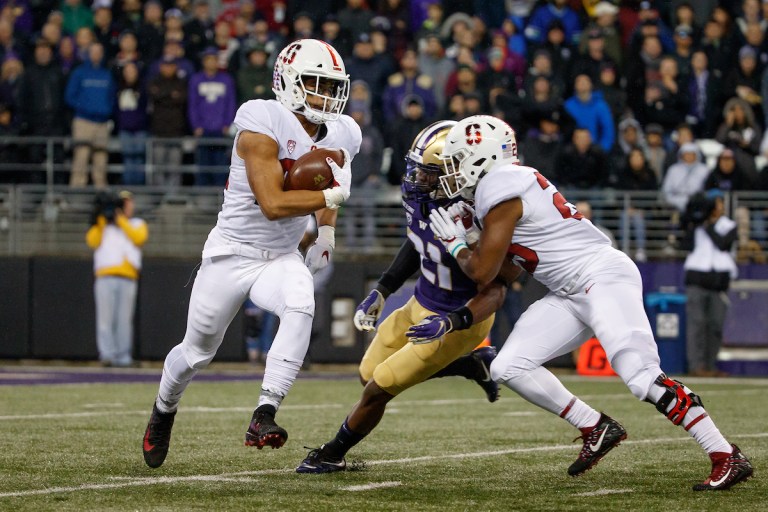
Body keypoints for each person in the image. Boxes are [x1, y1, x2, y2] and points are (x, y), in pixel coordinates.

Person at [426, 114, 752, 491]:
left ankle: (725, 454)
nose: (453, 172)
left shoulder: (499, 184)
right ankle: (596, 426)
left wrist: (458, 246)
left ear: (481, 156)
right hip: (570, 290)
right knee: (508, 367)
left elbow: (482, 273)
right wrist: (477, 239)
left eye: (457, 160)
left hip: (599, 276)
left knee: (640, 376)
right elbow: (508, 274)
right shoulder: (505, 188)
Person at [142, 39, 360, 469]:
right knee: (196, 353)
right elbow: (273, 204)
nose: (326, 95)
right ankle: (163, 409)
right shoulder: (261, 121)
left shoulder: (342, 132)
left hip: (279, 256)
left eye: (333, 86)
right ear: (290, 82)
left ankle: (264, 414)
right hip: (231, 253)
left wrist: (326, 236)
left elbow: (324, 195)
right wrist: (331, 194)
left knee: (301, 302)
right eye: (316, 84)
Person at [295, 120, 512, 474]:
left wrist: (453, 315)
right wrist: (382, 290)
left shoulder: (477, 213)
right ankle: (471, 364)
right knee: (368, 374)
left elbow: (495, 283)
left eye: (427, 172)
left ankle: (332, 452)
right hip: (419, 303)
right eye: (416, 169)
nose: (416, 178)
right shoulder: (422, 197)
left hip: (453, 319)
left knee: (379, 389)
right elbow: (417, 242)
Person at [86, 190, 148, 367]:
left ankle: (123, 357)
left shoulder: (137, 223)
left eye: (127, 203)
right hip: (105, 276)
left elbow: (139, 238)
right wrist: (101, 218)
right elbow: (92, 241)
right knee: (105, 319)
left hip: (128, 277)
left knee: (124, 319)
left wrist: (120, 219)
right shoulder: (103, 225)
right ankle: (107, 355)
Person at [681, 191, 738, 377]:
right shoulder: (696, 225)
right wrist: (691, 220)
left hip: (718, 282)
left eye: (719, 202)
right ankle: (696, 366)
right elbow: (685, 245)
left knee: (715, 325)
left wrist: (708, 225)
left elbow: (722, 244)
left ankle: (710, 366)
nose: (717, 206)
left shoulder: (729, 226)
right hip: (696, 278)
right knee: (696, 324)